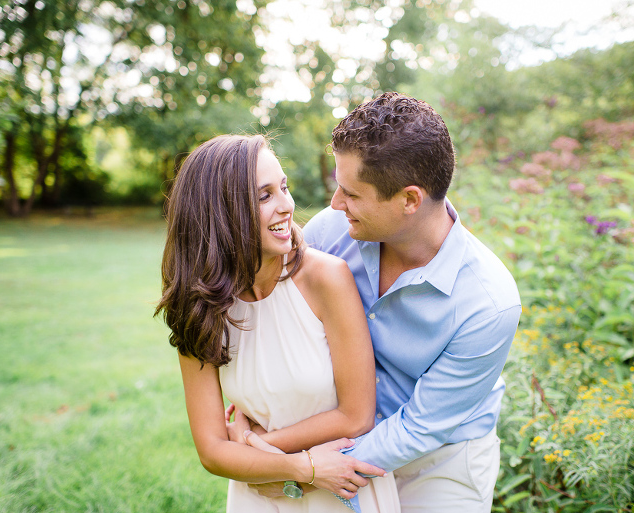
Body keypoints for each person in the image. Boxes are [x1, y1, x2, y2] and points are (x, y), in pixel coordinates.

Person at [155, 134, 400, 512]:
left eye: (283, 188)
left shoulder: (325, 279)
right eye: (264, 195)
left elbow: (355, 415)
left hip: (341, 487)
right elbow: (211, 450)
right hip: (261, 495)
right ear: (220, 212)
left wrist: (254, 449)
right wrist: (300, 467)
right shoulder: (199, 306)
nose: (287, 206)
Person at [301, 92, 522, 512]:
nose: (334, 204)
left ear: (409, 200)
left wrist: (302, 471)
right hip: (337, 430)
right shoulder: (329, 233)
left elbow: (421, 427)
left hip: (442, 458)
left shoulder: (489, 302)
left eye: (351, 193)